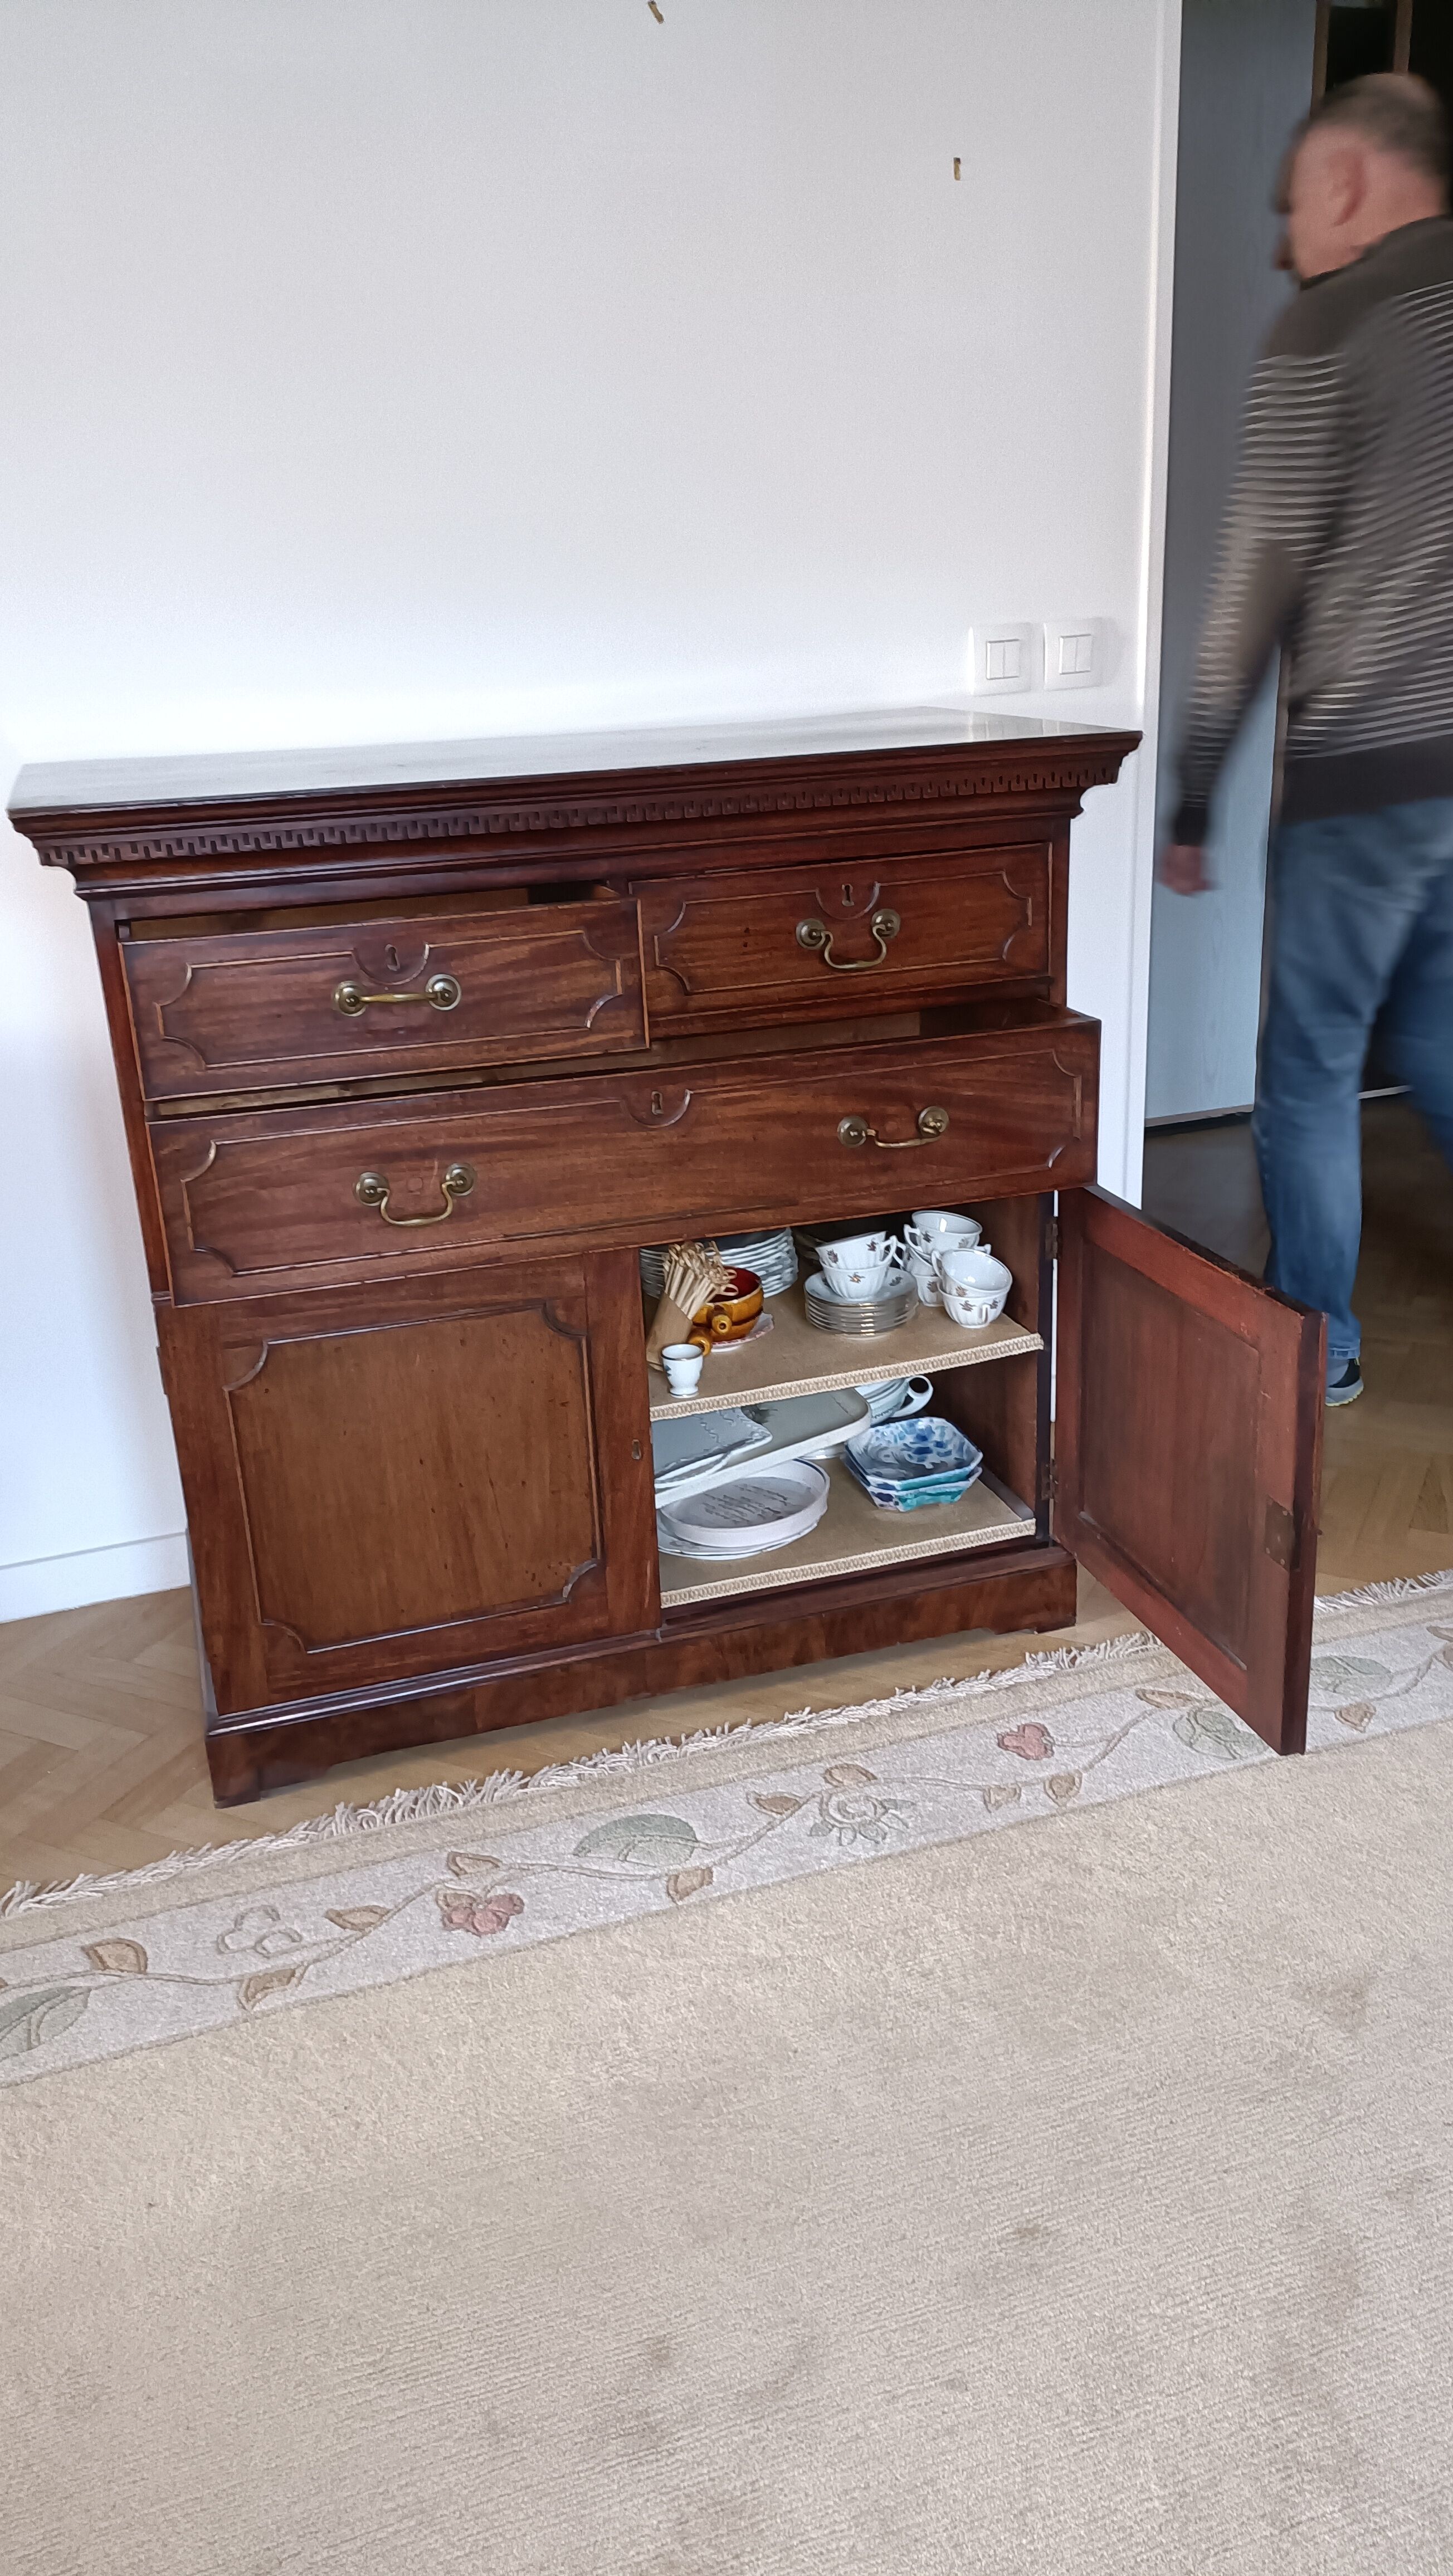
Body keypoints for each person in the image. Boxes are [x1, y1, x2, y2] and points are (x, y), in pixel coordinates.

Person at [1162, 74, 1453, 1406]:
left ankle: (1314, 1340)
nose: (1282, 242)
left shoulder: (1330, 320)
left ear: (1343, 182)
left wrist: (1189, 790)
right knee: (1444, 1044)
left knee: (1313, 1062)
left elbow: (1256, 577)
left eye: (1289, 207)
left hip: (1371, 768)